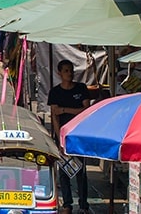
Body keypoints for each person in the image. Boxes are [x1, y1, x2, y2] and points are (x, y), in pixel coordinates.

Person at [49, 60, 93, 214]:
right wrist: (58, 136)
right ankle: (67, 204)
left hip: (79, 135)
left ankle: (83, 204)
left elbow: (86, 110)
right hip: (63, 137)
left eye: (71, 70)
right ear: (59, 73)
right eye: (66, 71)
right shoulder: (55, 92)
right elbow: (54, 115)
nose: (69, 73)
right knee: (64, 171)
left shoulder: (81, 88)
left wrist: (65, 109)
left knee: (81, 172)